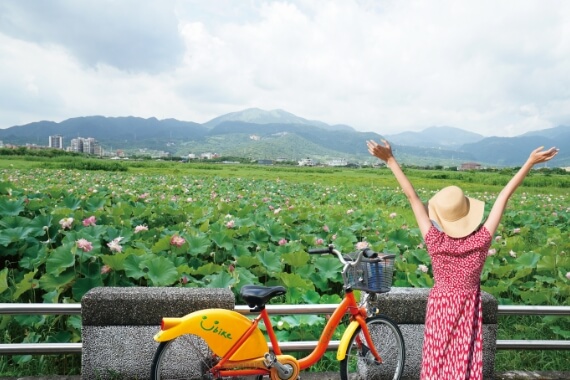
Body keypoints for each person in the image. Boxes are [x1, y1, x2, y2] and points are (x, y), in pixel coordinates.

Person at [366, 139, 558, 380]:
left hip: (440, 307)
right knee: (461, 364)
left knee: (436, 361)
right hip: (467, 307)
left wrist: (390, 160)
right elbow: (503, 196)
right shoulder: (481, 240)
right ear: (468, 214)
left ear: (440, 218)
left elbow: (412, 198)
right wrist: (529, 162)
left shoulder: (435, 240)